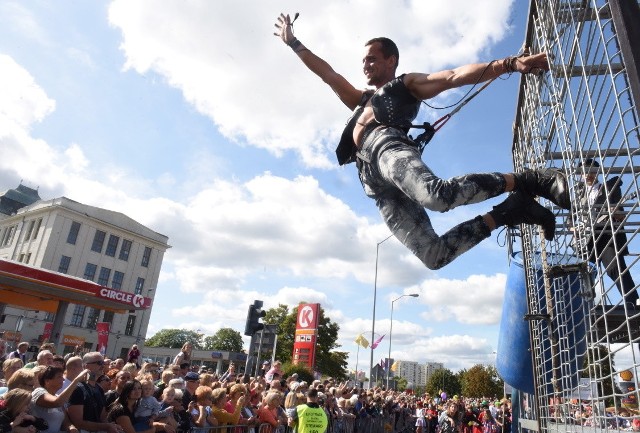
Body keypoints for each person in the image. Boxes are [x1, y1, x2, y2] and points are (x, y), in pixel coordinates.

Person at [274, 14, 571, 270]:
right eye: (363, 60)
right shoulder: (361, 99)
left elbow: (453, 76)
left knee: (436, 196)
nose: (365, 64)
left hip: (387, 147)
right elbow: (328, 74)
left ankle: (529, 180)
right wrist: (293, 43)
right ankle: (511, 210)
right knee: (434, 256)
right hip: (373, 183)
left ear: (391, 60)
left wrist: (509, 64)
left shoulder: (405, 85)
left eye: (372, 58)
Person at [575, 158, 639, 306]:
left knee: (615, 269)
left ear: (597, 172)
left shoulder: (610, 188)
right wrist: (574, 228)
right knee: (581, 273)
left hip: (606, 237)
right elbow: (570, 219)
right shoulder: (578, 195)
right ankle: (583, 306)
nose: (588, 174)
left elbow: (621, 216)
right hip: (587, 240)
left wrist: (615, 212)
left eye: (592, 170)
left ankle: (634, 303)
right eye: (584, 172)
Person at [67, 352, 122, 433]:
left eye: (103, 362)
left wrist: (113, 427)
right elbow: (78, 423)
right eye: (99, 363)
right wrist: (106, 426)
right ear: (86, 366)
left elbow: (103, 417)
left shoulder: (99, 389)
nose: (103, 366)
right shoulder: (77, 388)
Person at [30, 366, 90, 433]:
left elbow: (66, 422)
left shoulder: (57, 397)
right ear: (47, 381)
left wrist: (71, 427)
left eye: (62, 376)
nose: (63, 380)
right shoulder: (38, 392)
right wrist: (76, 380)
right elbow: (57, 403)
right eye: (59, 377)